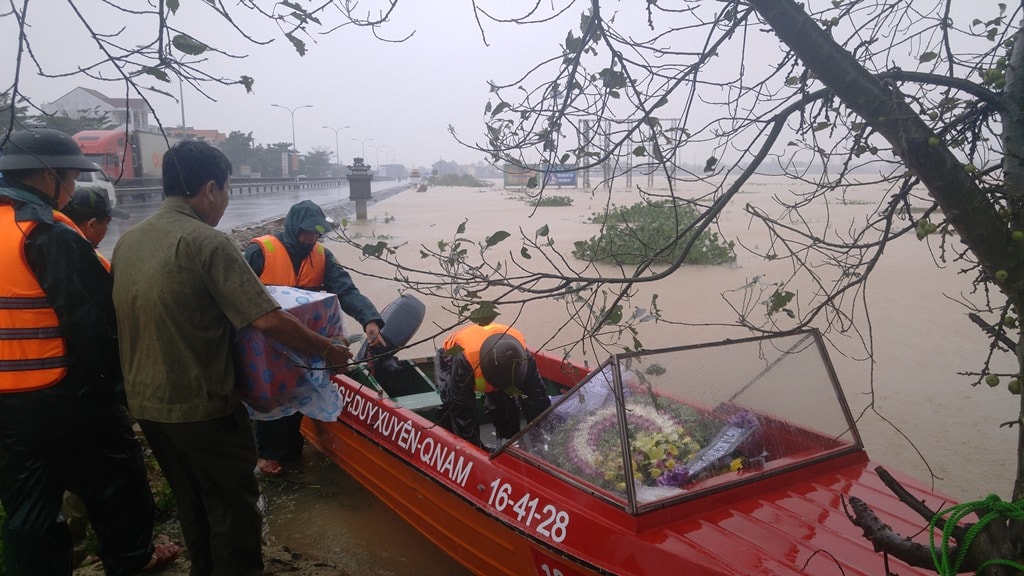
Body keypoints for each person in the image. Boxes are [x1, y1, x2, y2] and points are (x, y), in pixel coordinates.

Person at [112, 140, 354, 575]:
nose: (224, 201)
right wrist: (327, 348)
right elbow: (267, 320)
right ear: (210, 189)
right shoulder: (207, 242)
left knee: (194, 506)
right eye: (224, 191)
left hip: (148, 406)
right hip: (202, 406)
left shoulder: (129, 242)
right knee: (235, 512)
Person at [0, 128, 180, 574]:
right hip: (63, 394)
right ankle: (132, 559)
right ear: (48, 175)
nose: (72, 188)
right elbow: (94, 326)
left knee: (28, 507)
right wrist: (123, 394)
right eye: (71, 177)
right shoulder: (46, 235)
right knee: (116, 481)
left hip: (5, 406)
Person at [244, 199, 385, 476]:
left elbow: (345, 290)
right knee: (269, 396)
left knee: (299, 392)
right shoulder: (261, 251)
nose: (312, 238)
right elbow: (235, 293)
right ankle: (266, 455)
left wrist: (369, 319)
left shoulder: (322, 256)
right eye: (308, 232)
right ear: (294, 227)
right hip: (265, 343)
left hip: (305, 342)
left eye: (317, 232)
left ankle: (292, 456)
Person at [436, 322, 551, 448]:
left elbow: (537, 398)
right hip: (451, 358)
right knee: (450, 403)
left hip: (496, 354)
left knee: (506, 405)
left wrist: (542, 439)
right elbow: (462, 412)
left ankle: (509, 441)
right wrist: (474, 450)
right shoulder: (467, 360)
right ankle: (450, 444)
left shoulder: (522, 356)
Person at [61, 185, 129, 271]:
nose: (106, 229)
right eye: (107, 223)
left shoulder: (53, 250)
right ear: (91, 226)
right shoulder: (90, 266)